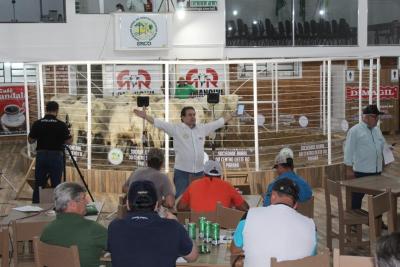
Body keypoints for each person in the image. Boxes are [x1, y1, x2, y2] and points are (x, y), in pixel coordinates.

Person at [134, 106, 233, 197]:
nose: (193, 117)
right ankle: (182, 217)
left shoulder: (202, 128)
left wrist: (231, 115)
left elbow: (218, 123)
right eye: (190, 115)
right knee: (181, 200)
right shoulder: (176, 129)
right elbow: (159, 123)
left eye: (194, 114)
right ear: (182, 117)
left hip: (199, 172)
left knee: (198, 198)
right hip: (182, 173)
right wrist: (145, 116)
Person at [108, 180, 198, 267]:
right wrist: (178, 223)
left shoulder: (114, 227)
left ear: (127, 204)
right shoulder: (173, 227)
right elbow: (193, 257)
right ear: (156, 206)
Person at [231, 178, 317, 267]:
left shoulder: (250, 215)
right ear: (295, 205)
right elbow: (312, 257)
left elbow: (234, 249)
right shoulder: (311, 226)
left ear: (273, 197)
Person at [40, 182, 107, 267]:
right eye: (84, 198)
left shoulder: (47, 230)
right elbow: (118, 245)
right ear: (72, 204)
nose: (87, 202)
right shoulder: (93, 229)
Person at [28, 101, 72, 203]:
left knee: (39, 183)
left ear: (46, 109)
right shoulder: (61, 125)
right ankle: (56, 208)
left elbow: (31, 140)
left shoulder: (37, 123)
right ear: (57, 110)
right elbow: (69, 141)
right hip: (56, 156)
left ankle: (35, 207)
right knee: (56, 184)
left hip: (41, 156)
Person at [344, 104, 386, 209]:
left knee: (378, 199)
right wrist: (349, 170)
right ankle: (354, 223)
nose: (377, 119)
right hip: (361, 172)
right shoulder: (355, 131)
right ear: (365, 117)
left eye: (377, 117)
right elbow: (348, 151)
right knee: (356, 199)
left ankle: (377, 222)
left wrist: (387, 149)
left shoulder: (377, 130)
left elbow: (383, 145)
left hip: (377, 172)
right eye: (374, 117)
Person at [177, 160, 249, 212]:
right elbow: (245, 208)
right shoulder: (228, 186)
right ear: (220, 175)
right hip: (220, 227)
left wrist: (192, 208)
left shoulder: (193, 184)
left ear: (204, 174)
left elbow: (180, 207)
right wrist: (231, 205)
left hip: (198, 226)